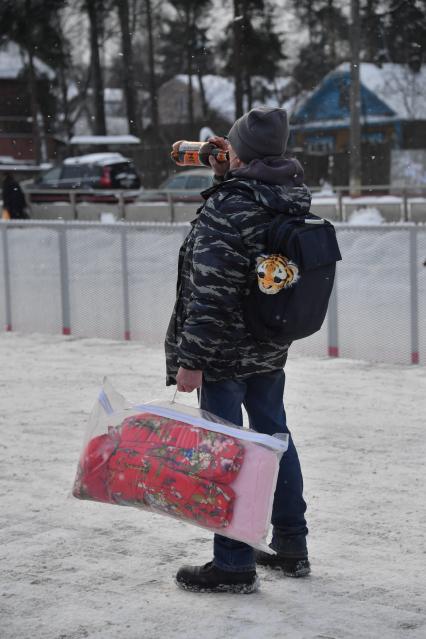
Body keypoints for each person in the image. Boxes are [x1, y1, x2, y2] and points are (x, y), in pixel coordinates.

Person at [165, 106, 311, 594]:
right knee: (274, 437)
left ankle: (232, 563)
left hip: (224, 353)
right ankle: (291, 544)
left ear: (241, 150)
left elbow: (210, 290)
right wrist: (231, 176)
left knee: (226, 450)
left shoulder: (231, 206)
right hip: (268, 343)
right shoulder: (288, 196)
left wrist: (192, 360)